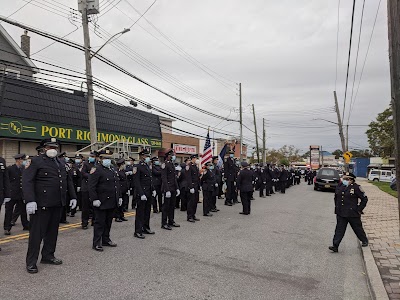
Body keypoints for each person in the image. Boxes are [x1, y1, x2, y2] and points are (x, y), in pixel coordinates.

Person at [23, 138, 76, 274]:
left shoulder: (61, 162)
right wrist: (30, 200)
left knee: (52, 233)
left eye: (55, 147)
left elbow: (67, 180)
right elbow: (27, 181)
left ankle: (48, 255)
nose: (52, 149)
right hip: (41, 205)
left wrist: (73, 197)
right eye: (49, 147)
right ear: (43, 148)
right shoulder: (35, 161)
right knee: (36, 235)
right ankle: (31, 262)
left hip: (57, 204)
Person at [89, 149, 122, 251]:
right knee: (99, 223)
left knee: (108, 222)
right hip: (101, 201)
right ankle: (97, 242)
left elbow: (117, 185)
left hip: (111, 201)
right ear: (100, 159)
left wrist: (119, 197)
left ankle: (106, 239)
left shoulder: (112, 169)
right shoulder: (97, 169)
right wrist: (94, 199)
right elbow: (91, 186)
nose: (107, 160)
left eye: (109, 158)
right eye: (105, 158)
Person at [329, 172, 368, 252]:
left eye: (346, 179)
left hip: (352, 213)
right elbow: (336, 197)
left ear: (351, 180)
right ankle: (335, 245)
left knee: (357, 228)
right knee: (339, 229)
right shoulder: (340, 186)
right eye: (344, 179)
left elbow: (364, 199)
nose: (344, 180)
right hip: (341, 212)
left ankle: (364, 240)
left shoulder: (356, 187)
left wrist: (359, 209)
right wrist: (337, 207)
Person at [132, 149, 156, 239]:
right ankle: (138, 231)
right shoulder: (137, 166)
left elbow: (150, 179)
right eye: (146, 156)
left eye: (148, 156)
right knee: (140, 213)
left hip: (148, 192)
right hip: (142, 193)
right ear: (142, 156)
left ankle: (146, 227)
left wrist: (153, 189)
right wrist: (141, 193)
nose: (147, 158)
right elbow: (136, 181)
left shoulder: (147, 165)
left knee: (147, 211)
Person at [4, 154, 28, 236]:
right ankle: (7, 228)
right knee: (9, 211)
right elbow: (6, 181)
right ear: (19, 160)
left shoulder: (24, 169)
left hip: (21, 193)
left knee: (23, 211)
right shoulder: (10, 169)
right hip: (12, 193)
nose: (24, 161)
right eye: (23, 160)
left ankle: (26, 225)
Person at [160, 149, 180, 230]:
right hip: (167, 188)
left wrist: (177, 188)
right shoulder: (164, 164)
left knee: (172, 206)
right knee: (166, 207)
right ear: (168, 155)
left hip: (173, 188)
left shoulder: (171, 164)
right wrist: (167, 190)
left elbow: (174, 178)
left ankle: (171, 221)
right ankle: (164, 223)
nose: (173, 156)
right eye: (172, 155)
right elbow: (164, 178)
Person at [80, 150, 98, 229]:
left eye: (93, 156)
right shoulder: (86, 164)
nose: (91, 157)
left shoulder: (97, 164)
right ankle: (84, 223)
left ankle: (94, 221)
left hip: (94, 188)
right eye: (91, 156)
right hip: (86, 187)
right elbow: (83, 173)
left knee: (95, 206)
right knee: (85, 207)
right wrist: (91, 176)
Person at [186, 154, 200, 223]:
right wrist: (191, 187)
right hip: (192, 186)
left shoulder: (195, 166)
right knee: (191, 202)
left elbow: (197, 177)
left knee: (195, 201)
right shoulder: (189, 166)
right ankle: (189, 216)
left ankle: (193, 215)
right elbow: (188, 177)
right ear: (192, 159)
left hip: (196, 186)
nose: (196, 159)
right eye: (195, 158)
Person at [115, 158, 128, 222]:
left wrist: (127, 189)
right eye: (123, 164)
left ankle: (122, 215)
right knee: (119, 204)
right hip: (119, 189)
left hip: (124, 189)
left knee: (123, 203)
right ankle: (117, 216)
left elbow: (125, 180)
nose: (124, 165)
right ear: (121, 165)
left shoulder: (123, 171)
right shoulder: (117, 171)